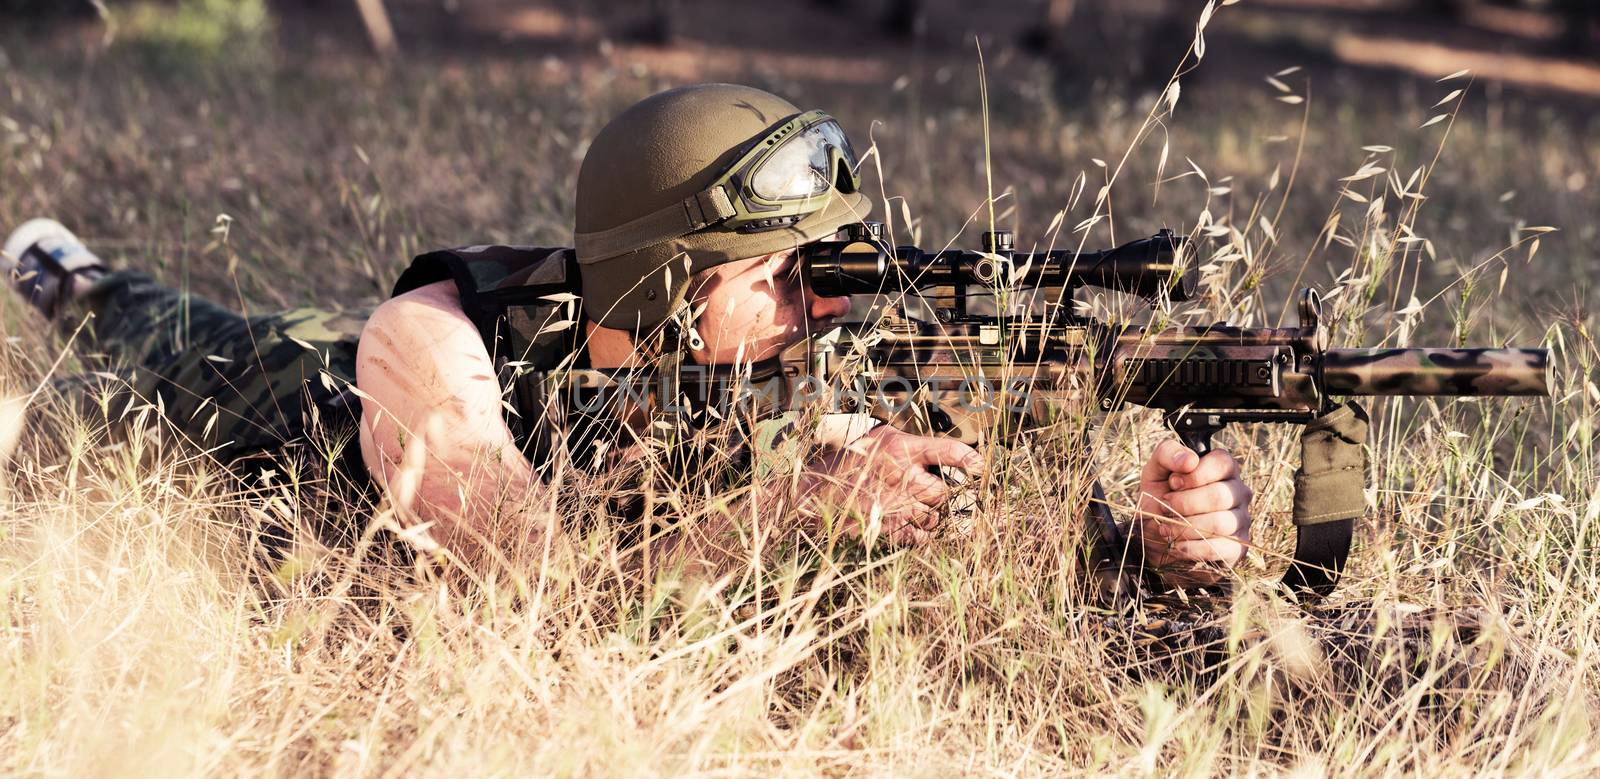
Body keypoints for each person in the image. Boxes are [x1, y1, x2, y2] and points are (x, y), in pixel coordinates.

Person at [1, 83, 1251, 585]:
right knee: (164, 358)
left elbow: (953, 529)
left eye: (832, 276)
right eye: (781, 277)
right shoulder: (425, 348)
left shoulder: (778, 367)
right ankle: (80, 282)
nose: (827, 310)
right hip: (320, 405)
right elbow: (538, 596)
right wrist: (783, 508)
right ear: (659, 282)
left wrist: (1147, 537)